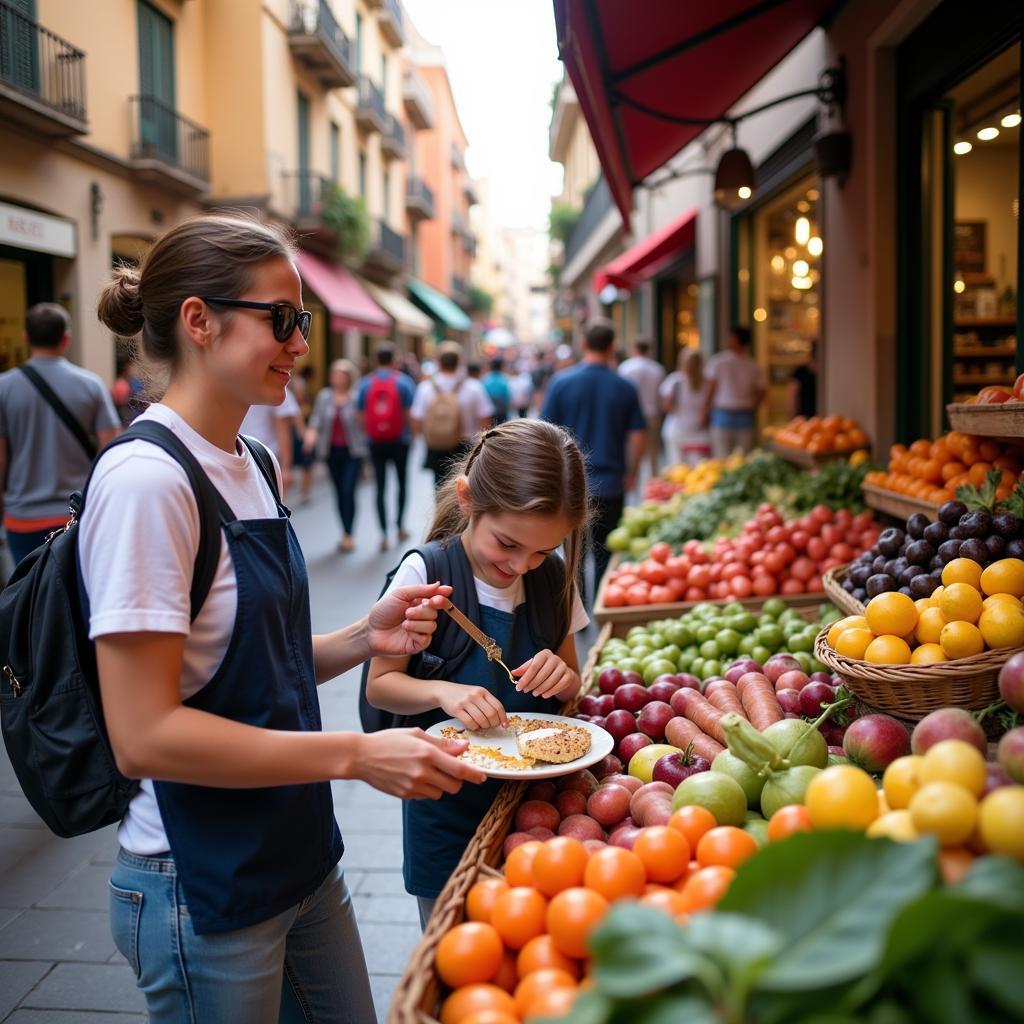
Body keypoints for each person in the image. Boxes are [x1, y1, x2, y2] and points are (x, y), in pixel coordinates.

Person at [84, 213, 484, 1024]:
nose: (302, 342)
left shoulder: (250, 460)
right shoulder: (146, 483)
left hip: (299, 850)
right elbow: (144, 734)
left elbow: (245, 656)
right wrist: (358, 754)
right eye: (284, 319)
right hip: (202, 877)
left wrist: (361, 636)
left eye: (303, 320)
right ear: (199, 321)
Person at [364, 418, 590, 929]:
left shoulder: (552, 578)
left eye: (541, 550)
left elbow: (573, 679)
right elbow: (381, 686)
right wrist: (443, 691)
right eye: (507, 544)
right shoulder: (425, 572)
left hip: (537, 809)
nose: (523, 564)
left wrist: (562, 676)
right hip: (444, 806)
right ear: (467, 499)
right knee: (455, 946)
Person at [0, 302, 120, 566]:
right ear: (66, 339)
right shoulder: (91, 386)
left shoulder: (4, 388)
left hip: (22, 519)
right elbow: (111, 452)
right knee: (74, 601)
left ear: (25, 337)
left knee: (25, 601)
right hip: (77, 516)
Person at [541, 318, 645, 606]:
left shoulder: (561, 382)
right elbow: (638, 435)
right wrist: (632, 471)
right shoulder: (624, 386)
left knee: (572, 552)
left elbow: (544, 432)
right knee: (604, 552)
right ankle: (600, 604)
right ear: (613, 346)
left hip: (569, 485)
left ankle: (577, 611)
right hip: (611, 483)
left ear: (584, 344)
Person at [356, 342, 415, 551]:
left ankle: (382, 534)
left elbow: (360, 414)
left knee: (380, 486)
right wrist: (413, 435)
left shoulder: (364, 383)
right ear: (394, 359)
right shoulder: (404, 382)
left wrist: (369, 433)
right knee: (401, 483)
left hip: (375, 442)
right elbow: (409, 413)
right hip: (400, 440)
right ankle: (399, 526)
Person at [305, 359, 367, 553]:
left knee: (348, 491)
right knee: (339, 493)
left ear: (349, 378)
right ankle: (344, 531)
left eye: (341, 375)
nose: (337, 378)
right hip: (331, 452)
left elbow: (363, 425)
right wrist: (311, 436)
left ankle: (349, 533)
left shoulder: (356, 397)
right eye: (334, 374)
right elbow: (316, 420)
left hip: (353, 452)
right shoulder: (324, 397)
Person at [411, 342, 493, 487]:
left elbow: (417, 419)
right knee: (465, 488)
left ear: (438, 362)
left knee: (439, 487)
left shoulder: (425, 388)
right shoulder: (474, 387)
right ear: (459, 362)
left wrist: (428, 435)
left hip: (437, 445)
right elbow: (485, 419)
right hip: (466, 447)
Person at [703, 325, 766, 458]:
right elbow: (761, 392)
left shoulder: (718, 362)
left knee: (722, 456)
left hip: (727, 414)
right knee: (742, 457)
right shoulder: (752, 365)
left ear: (734, 339)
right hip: (741, 413)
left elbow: (710, 389)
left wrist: (704, 411)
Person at [618, 338, 666, 479]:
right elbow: (661, 395)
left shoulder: (626, 368)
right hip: (652, 414)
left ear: (634, 349)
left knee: (633, 455)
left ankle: (633, 484)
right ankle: (652, 487)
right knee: (653, 456)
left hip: (630, 417)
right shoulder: (657, 369)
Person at [238, 384, 299, 493]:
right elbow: (283, 429)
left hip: (261, 458)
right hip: (260, 458)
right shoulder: (275, 385)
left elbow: (283, 429)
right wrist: (286, 468)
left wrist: (285, 468)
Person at [660, 348, 712, 466]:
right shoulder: (706, 382)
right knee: (698, 470)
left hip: (680, 429)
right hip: (694, 431)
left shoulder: (675, 380)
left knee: (678, 468)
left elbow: (665, 404)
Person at [289, 365, 316, 504]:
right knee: (305, 461)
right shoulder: (294, 385)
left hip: (296, 427)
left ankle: (305, 491)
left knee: (305, 461)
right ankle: (304, 492)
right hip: (296, 427)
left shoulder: (293, 383)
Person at [789, 341, 818, 418]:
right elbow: (793, 396)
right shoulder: (800, 372)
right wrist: (793, 415)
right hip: (803, 417)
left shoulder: (825, 374)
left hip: (821, 417)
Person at [482, 356, 511, 425]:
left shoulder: (485, 379)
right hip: (502, 412)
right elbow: (508, 398)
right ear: (501, 366)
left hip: (489, 413)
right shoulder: (505, 379)